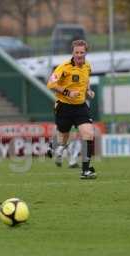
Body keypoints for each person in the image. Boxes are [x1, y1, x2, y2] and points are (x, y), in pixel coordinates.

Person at [47, 39, 96, 179]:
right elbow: (50, 84)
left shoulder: (88, 66)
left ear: (86, 52)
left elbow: (85, 80)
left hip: (80, 106)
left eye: (82, 52)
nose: (79, 55)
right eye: (77, 52)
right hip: (64, 106)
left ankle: (86, 170)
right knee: (63, 139)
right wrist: (68, 92)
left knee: (88, 133)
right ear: (72, 52)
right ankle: (53, 144)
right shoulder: (64, 67)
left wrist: (88, 90)